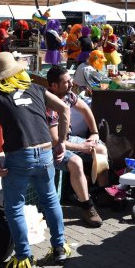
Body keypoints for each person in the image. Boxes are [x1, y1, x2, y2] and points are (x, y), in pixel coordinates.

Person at [0, 52, 72, 266]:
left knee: (15, 207)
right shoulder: (37, 88)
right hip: (46, 150)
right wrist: (62, 142)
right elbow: (65, 108)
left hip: (19, 154)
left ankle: (23, 258)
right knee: (50, 200)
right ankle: (60, 247)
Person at [46, 66, 105, 227]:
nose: (71, 84)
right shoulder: (49, 106)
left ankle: (102, 192)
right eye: (66, 82)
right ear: (53, 86)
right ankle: (88, 207)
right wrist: (82, 147)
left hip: (67, 139)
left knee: (100, 148)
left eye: (71, 80)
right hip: (52, 148)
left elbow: (85, 109)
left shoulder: (67, 95)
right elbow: (56, 141)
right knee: (76, 162)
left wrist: (94, 133)